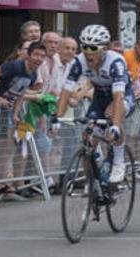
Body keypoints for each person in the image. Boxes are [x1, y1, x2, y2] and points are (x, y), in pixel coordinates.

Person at [55, 25, 135, 183]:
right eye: (84, 46)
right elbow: (66, 92)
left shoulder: (116, 62)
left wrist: (116, 126)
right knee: (87, 141)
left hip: (121, 95)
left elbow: (118, 96)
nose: (87, 52)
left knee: (112, 115)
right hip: (100, 95)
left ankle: (119, 162)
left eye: (92, 48)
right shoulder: (79, 62)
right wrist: (57, 118)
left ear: (104, 49)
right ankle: (93, 181)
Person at [0, 41, 46, 195]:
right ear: (28, 55)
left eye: (42, 56)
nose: (38, 59)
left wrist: (16, 113)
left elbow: (21, 94)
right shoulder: (15, 66)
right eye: (36, 54)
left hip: (7, 112)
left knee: (4, 148)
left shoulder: (33, 74)